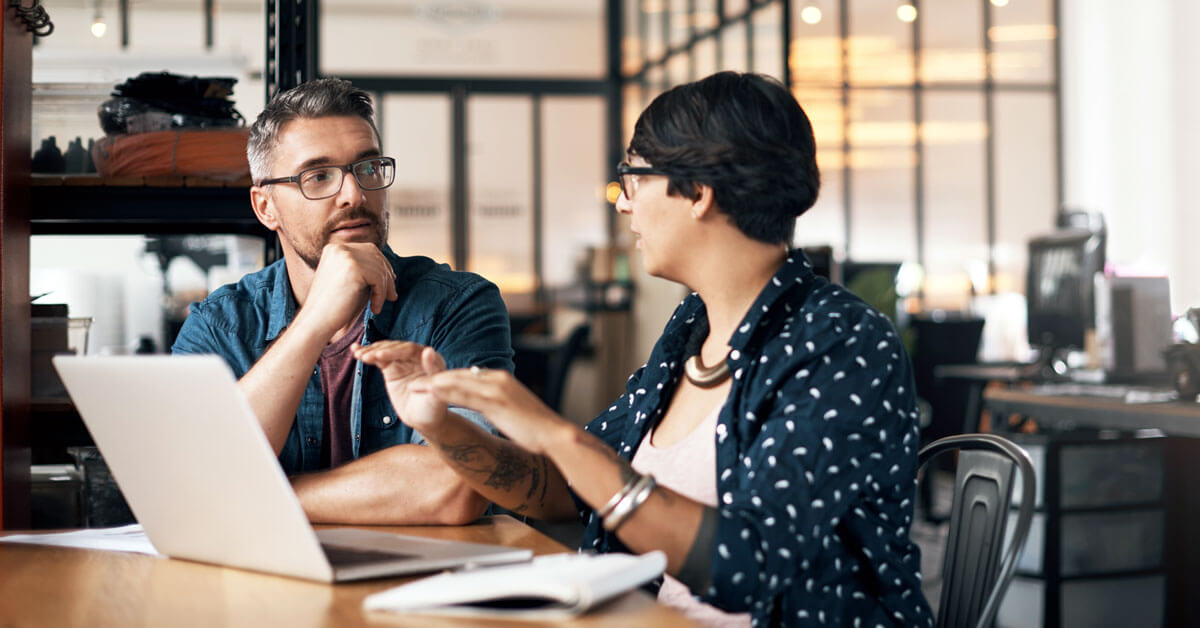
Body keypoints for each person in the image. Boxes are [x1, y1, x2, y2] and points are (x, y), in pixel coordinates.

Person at [353, 71, 932, 626]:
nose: (622, 202)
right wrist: (444, 427)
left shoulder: (842, 343)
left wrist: (555, 433)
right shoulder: (691, 330)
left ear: (698, 193)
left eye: (632, 178)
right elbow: (567, 491)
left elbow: (747, 568)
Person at [172, 78, 512, 525]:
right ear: (265, 207)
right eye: (318, 176)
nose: (354, 194)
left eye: (368, 168)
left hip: (421, 582)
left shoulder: (458, 306)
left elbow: (460, 484)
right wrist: (314, 322)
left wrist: (251, 494)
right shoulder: (219, 324)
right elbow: (186, 483)